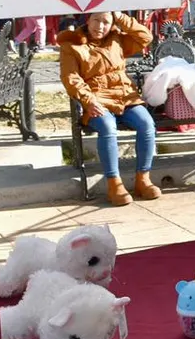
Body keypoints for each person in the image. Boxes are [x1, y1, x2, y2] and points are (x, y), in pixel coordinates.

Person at [59, 11, 160, 206]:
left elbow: (145, 37)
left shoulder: (117, 39)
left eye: (106, 22)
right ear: (87, 20)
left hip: (125, 97)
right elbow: (70, 78)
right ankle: (114, 184)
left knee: (147, 124)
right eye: (96, 20)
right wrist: (88, 100)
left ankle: (143, 180)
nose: (100, 26)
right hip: (96, 98)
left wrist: (120, 17)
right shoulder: (71, 45)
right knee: (107, 127)